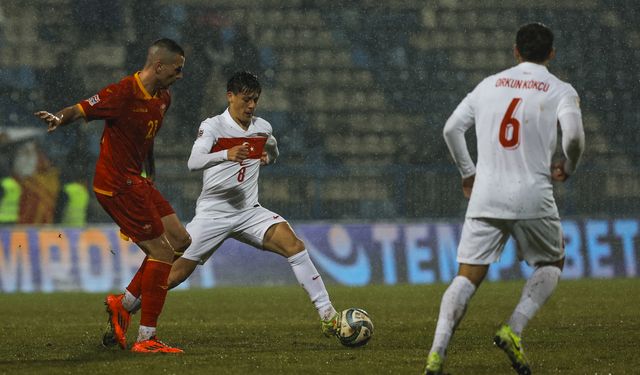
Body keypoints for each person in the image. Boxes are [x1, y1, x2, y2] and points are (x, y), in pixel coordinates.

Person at [121, 71, 343, 340]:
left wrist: (267, 158)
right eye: (246, 99)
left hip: (249, 211)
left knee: (295, 246)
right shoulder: (213, 126)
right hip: (213, 214)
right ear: (230, 96)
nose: (251, 106)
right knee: (172, 277)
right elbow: (194, 161)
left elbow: (272, 149)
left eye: (255, 100)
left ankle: (328, 315)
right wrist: (226, 154)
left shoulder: (263, 127)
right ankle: (125, 308)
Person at [423, 23, 585, 375]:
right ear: (551, 54)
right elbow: (572, 137)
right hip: (533, 194)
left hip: (487, 194)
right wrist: (569, 165)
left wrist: (468, 172)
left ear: (515, 50)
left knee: (466, 276)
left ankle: (436, 354)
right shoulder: (560, 89)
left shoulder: (489, 85)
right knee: (552, 263)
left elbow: (451, 129)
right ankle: (513, 328)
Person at [34, 38, 192, 353]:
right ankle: (146, 339)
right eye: (177, 69)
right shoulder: (123, 92)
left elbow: (146, 141)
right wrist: (58, 119)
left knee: (181, 241)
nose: (181, 75)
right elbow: (81, 109)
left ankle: (125, 303)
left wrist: (151, 172)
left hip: (139, 181)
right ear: (159, 65)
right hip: (117, 184)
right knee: (161, 252)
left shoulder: (163, 98)